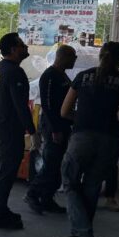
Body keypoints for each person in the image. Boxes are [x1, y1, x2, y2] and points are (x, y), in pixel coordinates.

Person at [60, 42, 119, 237]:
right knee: (92, 186)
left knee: (70, 182)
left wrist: (83, 118)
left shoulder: (83, 76)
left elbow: (64, 111)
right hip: (109, 140)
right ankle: (84, 236)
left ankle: (82, 232)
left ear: (100, 55)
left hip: (82, 137)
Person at [0, 32, 37, 230]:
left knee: (2, 170)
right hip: (9, 130)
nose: (25, 47)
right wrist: (32, 131)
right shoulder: (14, 72)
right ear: (13, 49)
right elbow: (20, 105)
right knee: (7, 171)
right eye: (21, 45)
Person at [24, 45, 77, 214]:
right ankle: (32, 194)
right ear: (63, 57)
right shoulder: (49, 76)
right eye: (72, 56)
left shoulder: (63, 75)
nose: (75, 59)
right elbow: (47, 105)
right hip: (53, 125)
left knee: (56, 165)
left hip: (63, 124)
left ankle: (47, 198)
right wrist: (55, 129)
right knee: (50, 164)